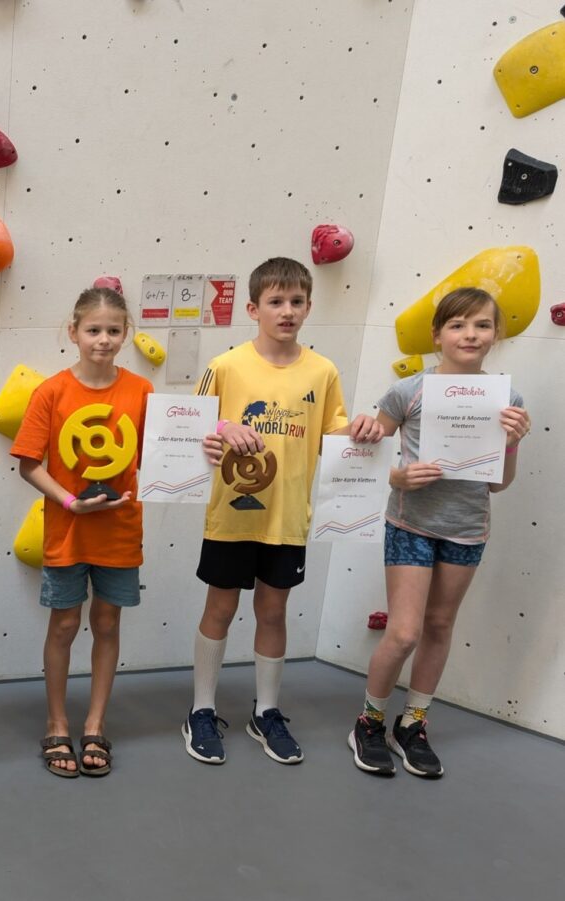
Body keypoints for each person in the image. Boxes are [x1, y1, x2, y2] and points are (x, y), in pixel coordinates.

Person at [185, 257, 383, 765]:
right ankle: (201, 710)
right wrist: (222, 427)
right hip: (232, 515)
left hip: (288, 517)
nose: (287, 310)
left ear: (309, 307)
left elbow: (335, 438)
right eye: (276, 301)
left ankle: (266, 712)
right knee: (220, 609)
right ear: (253, 309)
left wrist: (363, 430)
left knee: (273, 612)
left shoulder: (323, 370)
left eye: (297, 301)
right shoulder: (225, 366)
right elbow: (189, 427)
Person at [348, 287, 529, 778]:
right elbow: (365, 458)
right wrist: (398, 476)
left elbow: (497, 484)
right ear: (437, 335)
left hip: (467, 529)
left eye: (482, 325)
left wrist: (511, 443)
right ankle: (369, 722)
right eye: (458, 325)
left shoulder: (507, 399)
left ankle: (413, 724)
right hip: (411, 523)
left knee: (440, 626)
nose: (470, 334)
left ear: (496, 334)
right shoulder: (408, 391)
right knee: (404, 632)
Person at [11, 287, 153, 778]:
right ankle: (56, 724)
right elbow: (29, 463)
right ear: (73, 332)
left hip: (120, 530)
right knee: (65, 625)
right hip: (68, 530)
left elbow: (161, 454)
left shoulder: (141, 390)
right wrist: (70, 502)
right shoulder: (51, 392)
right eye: (93, 330)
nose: (103, 339)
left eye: (113, 330)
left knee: (108, 623)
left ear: (126, 334)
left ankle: (95, 724)